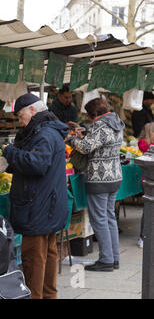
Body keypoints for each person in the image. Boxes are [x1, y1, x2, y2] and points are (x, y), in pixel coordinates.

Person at [2, 93, 69, 299]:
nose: (20, 121)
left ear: (32, 110)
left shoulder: (44, 133)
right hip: (48, 205)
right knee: (48, 255)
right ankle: (49, 295)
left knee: (34, 259)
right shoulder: (49, 130)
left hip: (37, 207)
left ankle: (36, 296)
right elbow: (38, 164)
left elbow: (36, 164)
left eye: (21, 116)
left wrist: (10, 152)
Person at [68, 98, 125, 272]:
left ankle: (106, 260)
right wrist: (86, 132)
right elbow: (99, 142)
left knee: (99, 220)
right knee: (109, 218)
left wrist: (71, 139)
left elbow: (85, 147)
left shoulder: (101, 125)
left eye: (88, 114)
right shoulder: (117, 123)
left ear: (94, 114)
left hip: (99, 178)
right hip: (114, 176)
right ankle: (114, 258)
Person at [135, 122, 154, 248]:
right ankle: (143, 236)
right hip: (148, 180)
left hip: (148, 180)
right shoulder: (145, 144)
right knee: (148, 209)